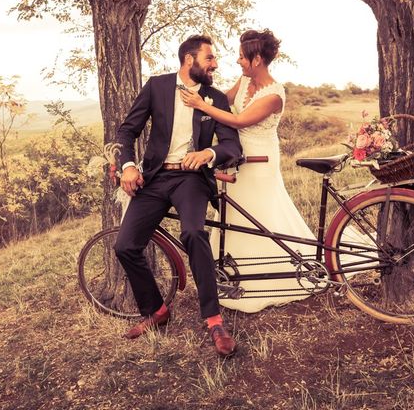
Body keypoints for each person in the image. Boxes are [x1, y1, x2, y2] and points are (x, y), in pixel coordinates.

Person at [114, 35, 243, 356]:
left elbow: (231, 145)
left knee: (193, 233)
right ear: (190, 60)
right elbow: (127, 131)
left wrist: (209, 154)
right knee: (125, 246)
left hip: (192, 180)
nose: (215, 64)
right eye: (210, 58)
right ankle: (156, 311)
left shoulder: (215, 98)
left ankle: (213, 320)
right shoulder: (157, 87)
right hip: (155, 178)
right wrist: (128, 166)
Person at [179, 29, 316, 313]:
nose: (238, 61)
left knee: (259, 214)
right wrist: (195, 91)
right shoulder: (244, 81)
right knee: (236, 213)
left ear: (256, 59)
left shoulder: (274, 94)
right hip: (237, 158)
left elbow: (240, 120)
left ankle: (270, 274)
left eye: (242, 57)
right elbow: (222, 100)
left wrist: (201, 105)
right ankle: (233, 271)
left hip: (262, 161)